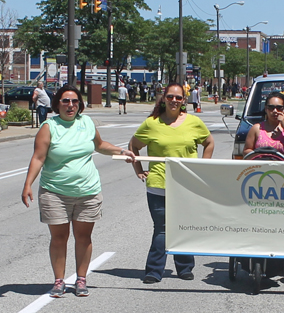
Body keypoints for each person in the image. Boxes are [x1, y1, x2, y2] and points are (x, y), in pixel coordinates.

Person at [21, 85, 135, 298]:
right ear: (57, 104)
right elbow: (38, 157)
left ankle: (81, 279)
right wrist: (28, 184)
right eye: (65, 101)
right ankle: (59, 281)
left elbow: (100, 145)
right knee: (59, 238)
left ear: (80, 105)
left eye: (74, 101)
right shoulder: (49, 127)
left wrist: (121, 151)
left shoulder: (87, 123)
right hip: (54, 192)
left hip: (87, 191)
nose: (70, 105)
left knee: (84, 236)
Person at [129, 82, 215, 283]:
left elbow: (209, 142)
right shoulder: (152, 123)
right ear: (163, 99)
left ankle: (184, 267)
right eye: (170, 97)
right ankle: (154, 270)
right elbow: (133, 145)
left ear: (184, 100)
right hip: (159, 183)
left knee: (183, 226)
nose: (174, 101)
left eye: (178, 97)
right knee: (161, 228)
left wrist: (203, 166)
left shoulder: (193, 122)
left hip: (187, 184)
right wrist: (139, 170)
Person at [243, 91, 284, 157]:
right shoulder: (257, 128)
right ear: (266, 109)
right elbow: (246, 150)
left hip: (283, 166)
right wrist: (261, 155)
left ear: (283, 109)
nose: (275, 111)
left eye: (279, 108)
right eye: (271, 107)